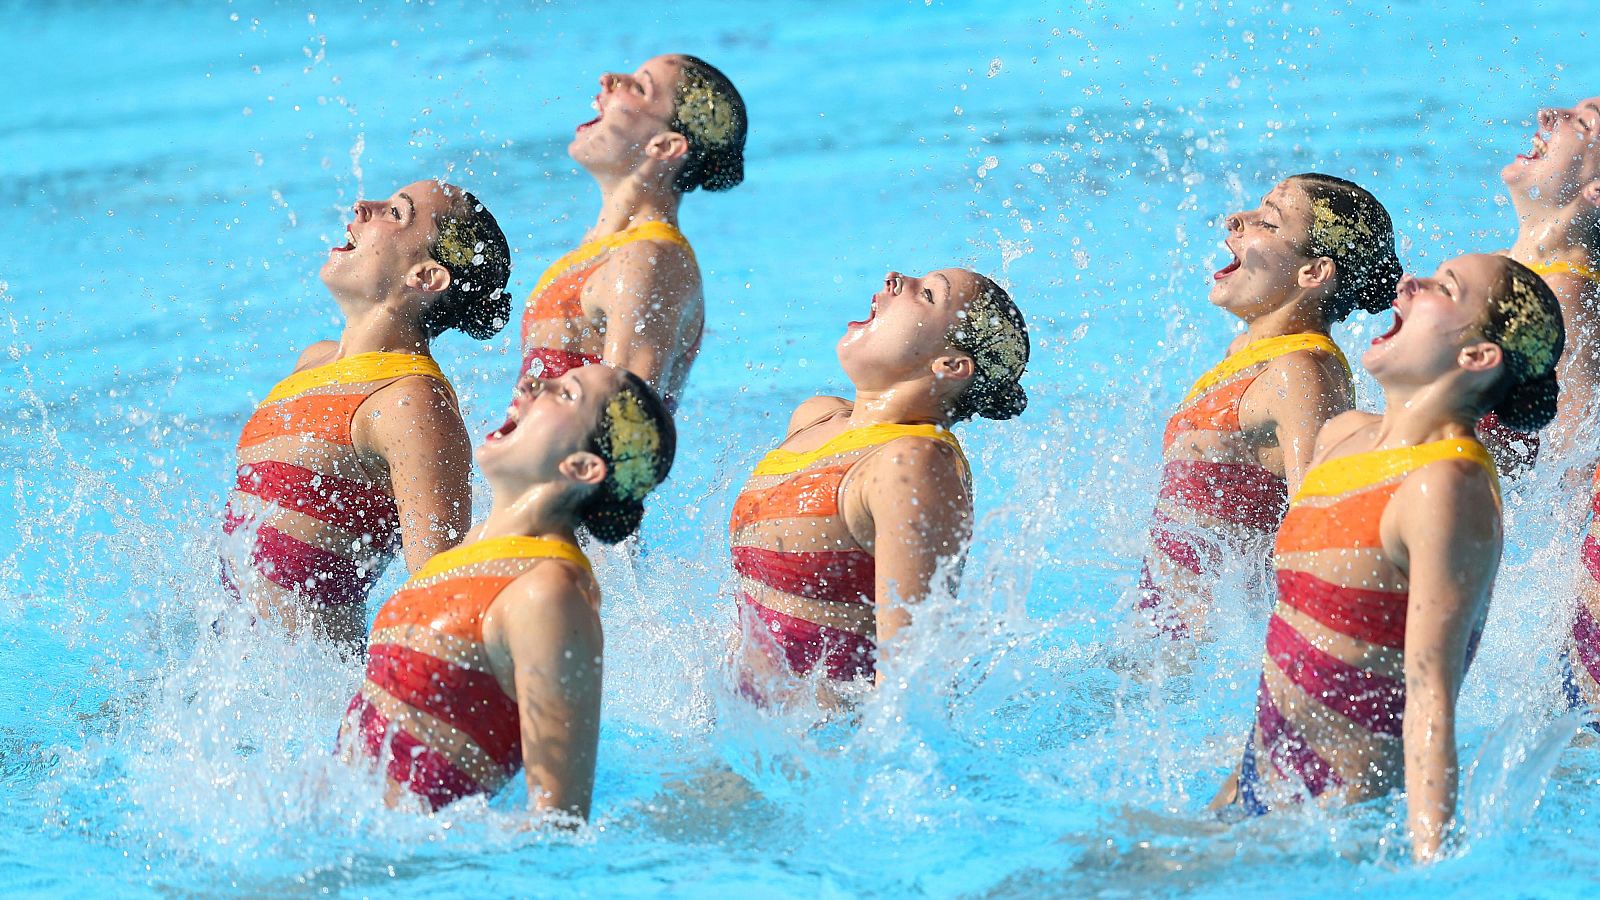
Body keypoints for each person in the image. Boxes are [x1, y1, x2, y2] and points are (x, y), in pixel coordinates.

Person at [1210, 254, 1564, 863]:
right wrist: (1226, 803)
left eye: (1442, 289)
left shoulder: (1446, 483)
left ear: (1478, 357)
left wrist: (1433, 866)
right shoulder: (1340, 437)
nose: (1408, 284)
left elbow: (1431, 695)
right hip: (1255, 794)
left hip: (1334, 828)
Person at [339, 365, 676, 820]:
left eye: (565, 394)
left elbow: (557, 821)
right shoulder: (458, 559)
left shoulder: (547, 591)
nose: (531, 384)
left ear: (581, 467)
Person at [220, 180, 512, 646]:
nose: (363, 206)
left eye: (396, 214)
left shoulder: (410, 401)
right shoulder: (312, 363)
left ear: (426, 276)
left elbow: (441, 591)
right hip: (226, 675)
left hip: (313, 698)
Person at [729, 269, 1028, 705]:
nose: (894, 278)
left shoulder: (914, 463)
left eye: (926, 294)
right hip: (745, 738)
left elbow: (911, 682)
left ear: (949, 365)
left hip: (826, 754)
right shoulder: (814, 419)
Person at [1137, 175, 1402, 638]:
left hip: (1206, 659)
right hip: (1167, 649)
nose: (1236, 220)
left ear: (1313, 272)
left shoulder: (1301, 374)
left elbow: (1317, 533)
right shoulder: (1246, 356)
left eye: (1269, 221)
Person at [520, 54, 747, 411]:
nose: (608, 78)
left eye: (639, 88)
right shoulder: (601, 247)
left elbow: (623, 423)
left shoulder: (648, 260)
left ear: (665, 147)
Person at [1497, 95, 1600, 468]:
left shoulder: (1563, 293)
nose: (1550, 115)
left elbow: (1578, 449)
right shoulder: (1505, 270)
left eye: (1585, 123)